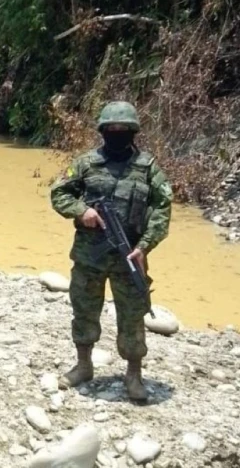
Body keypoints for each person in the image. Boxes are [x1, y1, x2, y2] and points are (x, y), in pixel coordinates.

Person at [49, 101, 173, 401]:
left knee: (132, 316)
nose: (117, 134)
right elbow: (59, 192)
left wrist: (145, 247)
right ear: (103, 131)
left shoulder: (147, 167)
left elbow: (162, 207)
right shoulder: (85, 163)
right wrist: (82, 211)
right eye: (112, 130)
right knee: (84, 310)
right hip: (89, 255)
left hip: (129, 256)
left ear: (133, 132)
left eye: (124, 130)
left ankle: (133, 374)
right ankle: (83, 365)